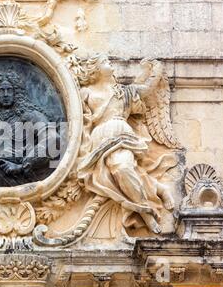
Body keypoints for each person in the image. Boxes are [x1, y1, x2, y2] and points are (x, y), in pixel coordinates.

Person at [75, 54, 175, 234]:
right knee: (117, 173)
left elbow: (144, 90)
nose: (110, 64)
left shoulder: (122, 91)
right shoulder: (85, 93)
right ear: (95, 69)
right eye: (105, 62)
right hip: (100, 138)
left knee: (123, 168)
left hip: (121, 133)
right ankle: (155, 193)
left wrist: (154, 72)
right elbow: (77, 120)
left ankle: (146, 210)